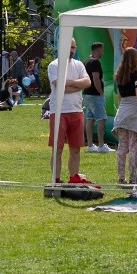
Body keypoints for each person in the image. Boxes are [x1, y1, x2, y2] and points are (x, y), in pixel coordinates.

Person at [47, 38, 93, 184]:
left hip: (77, 110)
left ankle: (74, 178)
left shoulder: (79, 64)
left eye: (73, 47)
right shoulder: (54, 65)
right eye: (69, 47)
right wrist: (78, 85)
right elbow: (60, 87)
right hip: (59, 112)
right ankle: (56, 179)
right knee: (57, 149)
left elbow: (88, 82)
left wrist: (70, 83)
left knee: (75, 149)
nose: (72, 50)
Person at [112, 47, 137, 184]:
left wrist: (120, 110)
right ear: (135, 58)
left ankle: (121, 178)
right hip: (134, 112)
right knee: (134, 147)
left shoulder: (119, 75)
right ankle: (133, 178)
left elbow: (120, 97)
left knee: (122, 148)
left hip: (122, 113)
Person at [82, 42, 109, 153]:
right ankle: (101, 145)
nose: (102, 53)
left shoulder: (87, 61)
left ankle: (90, 144)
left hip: (87, 93)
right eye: (102, 50)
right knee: (101, 119)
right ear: (97, 50)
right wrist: (101, 92)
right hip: (94, 94)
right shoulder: (95, 62)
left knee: (90, 119)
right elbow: (96, 78)